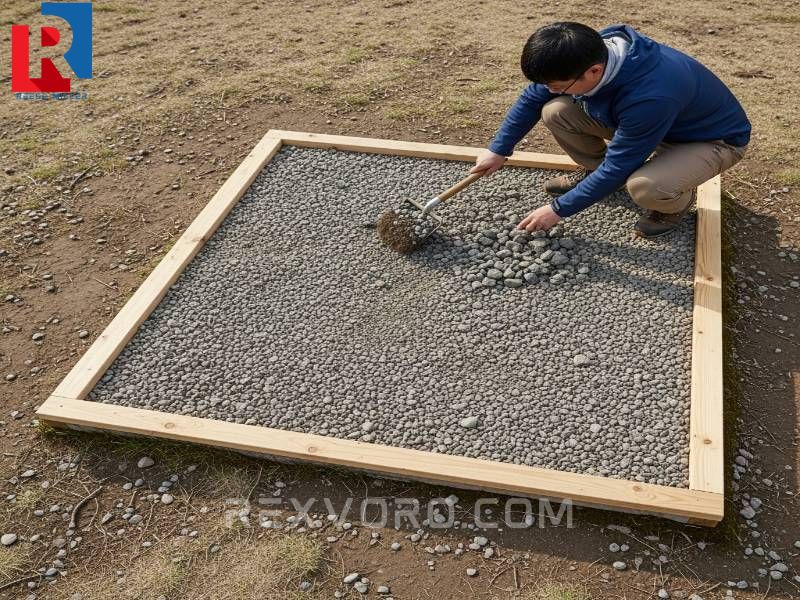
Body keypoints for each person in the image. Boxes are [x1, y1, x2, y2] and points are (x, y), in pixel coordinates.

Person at [470, 22, 751, 238]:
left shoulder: (651, 95)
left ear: (593, 71)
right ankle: (595, 172)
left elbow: (620, 164)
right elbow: (534, 97)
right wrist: (499, 150)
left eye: (557, 85)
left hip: (707, 140)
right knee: (555, 111)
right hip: (648, 124)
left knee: (646, 187)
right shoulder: (587, 51)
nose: (550, 90)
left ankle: (676, 203)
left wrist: (558, 210)